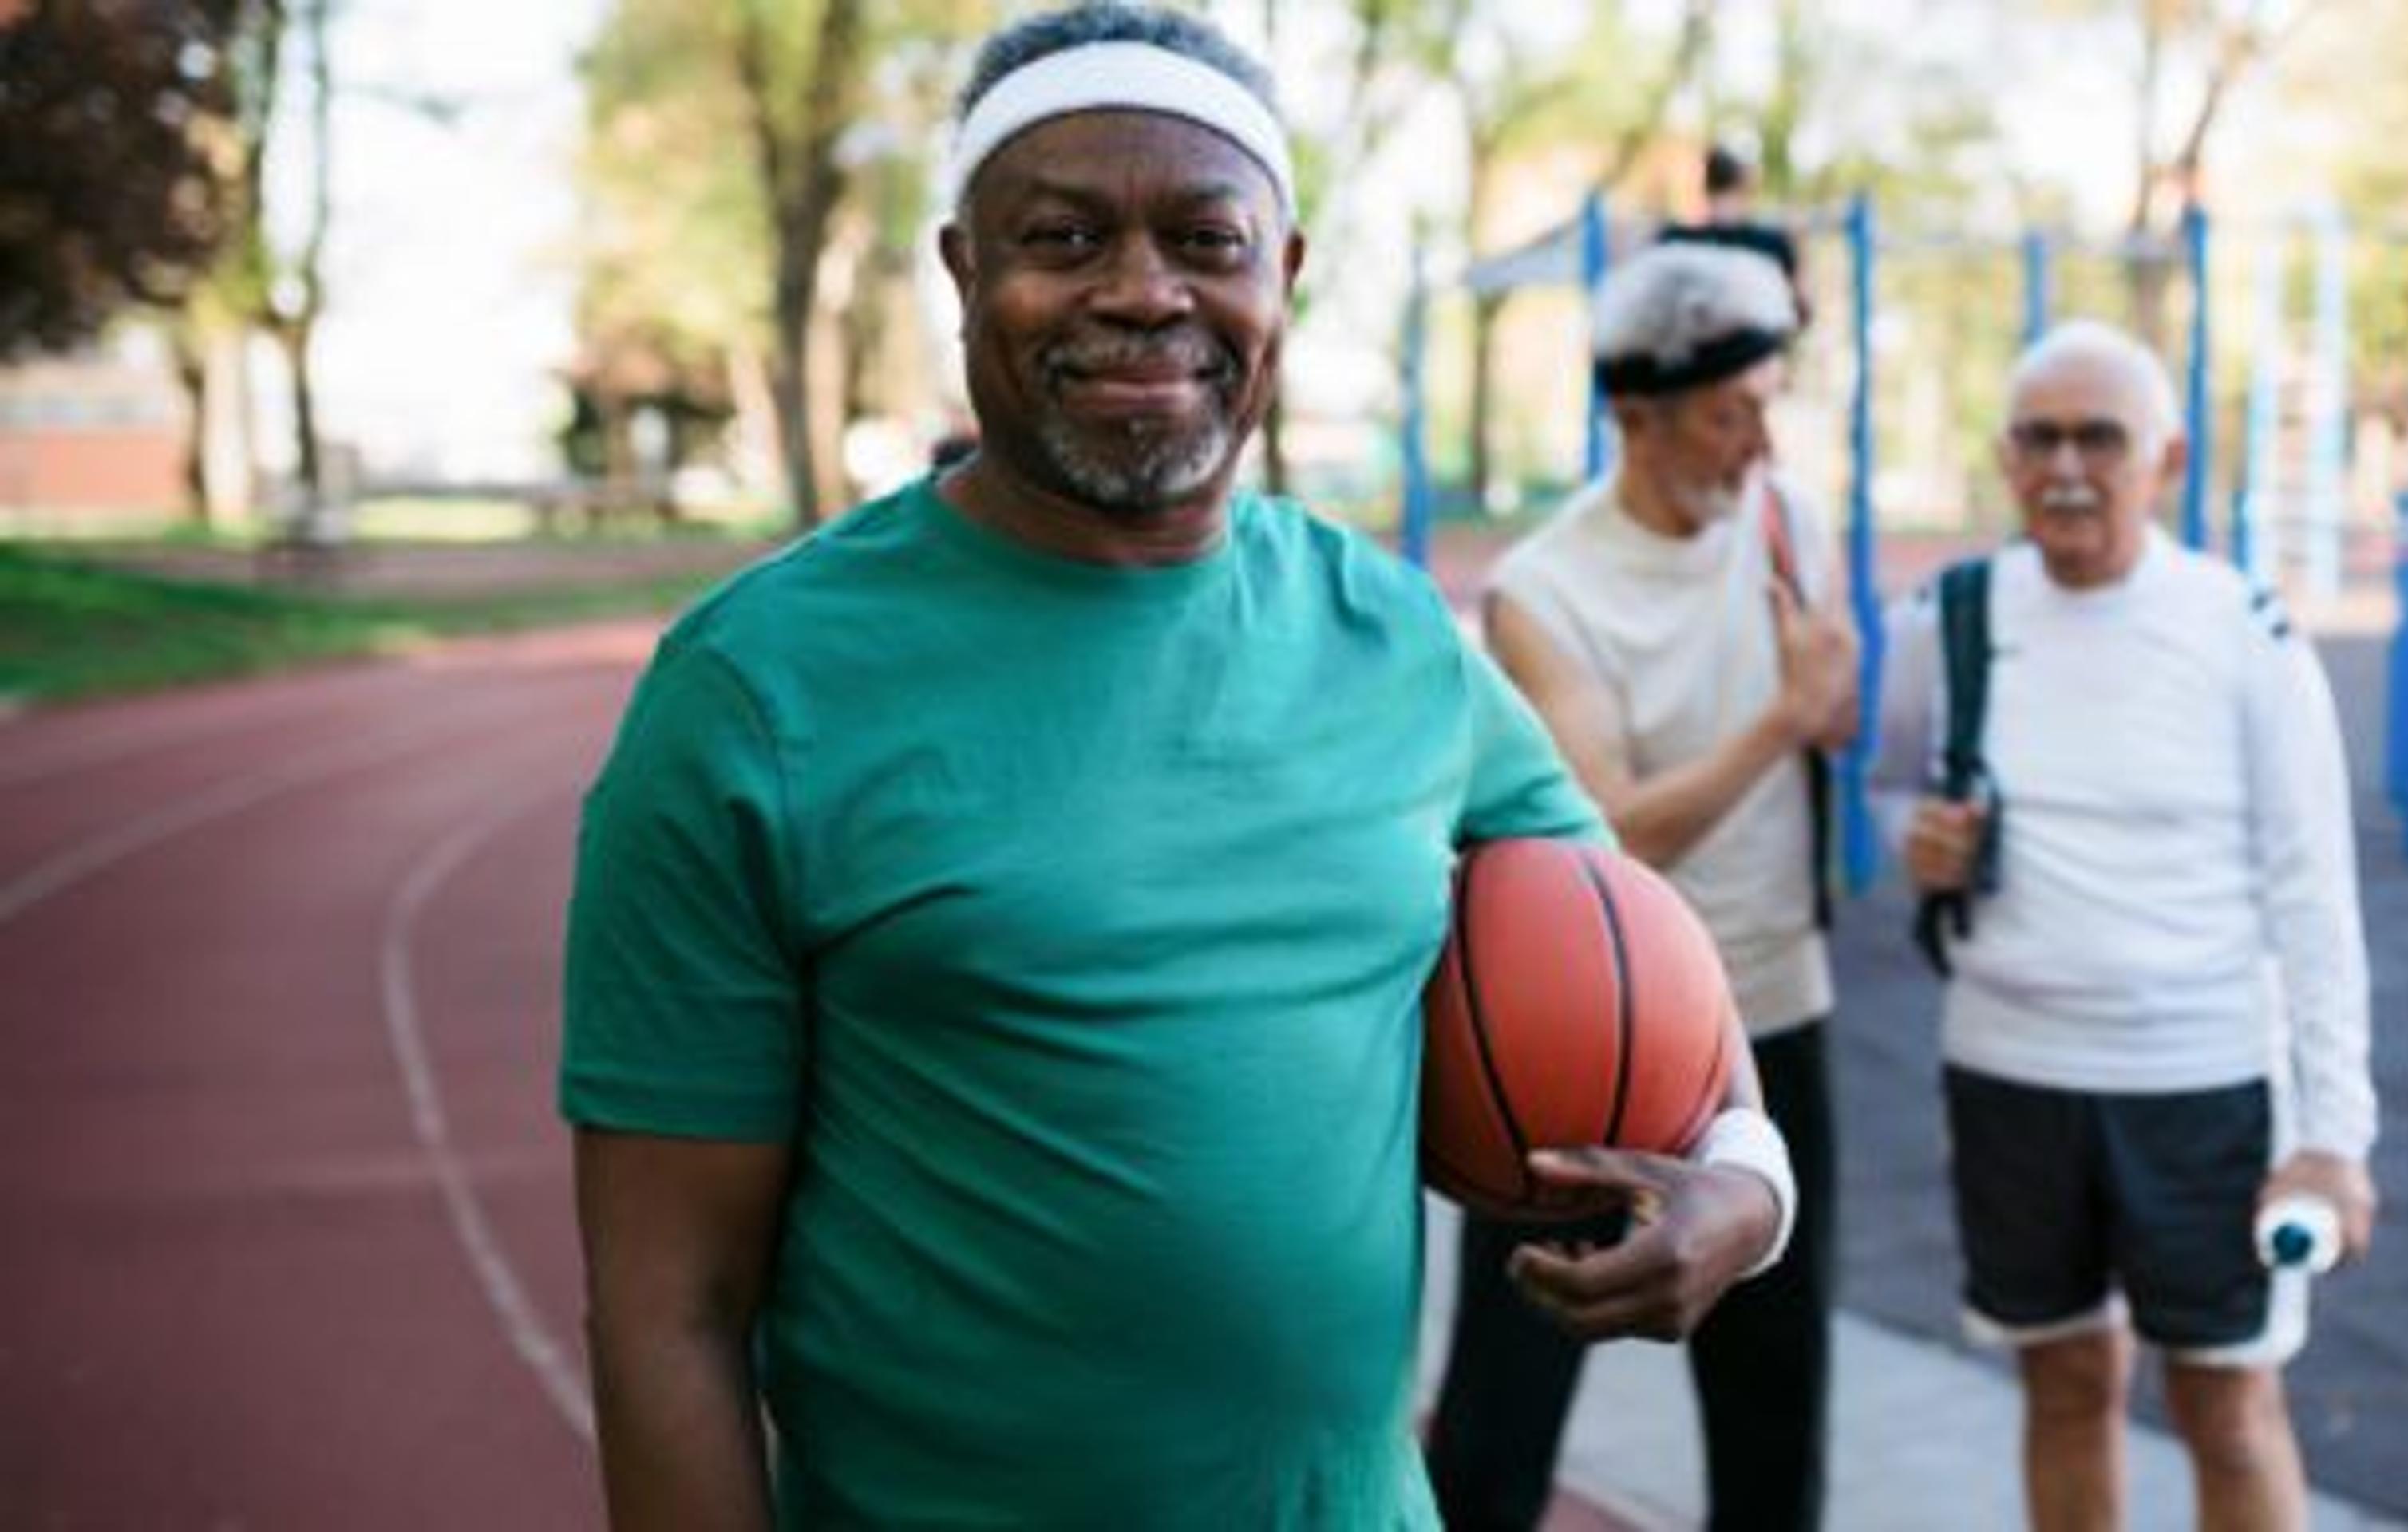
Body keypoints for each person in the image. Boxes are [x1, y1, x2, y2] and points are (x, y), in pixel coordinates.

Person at [559, 7, 1793, 1528]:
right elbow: (669, 1305)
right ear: (961, 270)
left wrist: (1749, 1185)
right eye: (1064, 237)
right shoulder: (754, 695)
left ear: (1283, 277)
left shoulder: (1392, 639)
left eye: (1206, 241)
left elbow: (1648, 972)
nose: (1143, 294)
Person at [1871, 319, 2379, 1532]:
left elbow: (2316, 891)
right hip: (2008, 1073)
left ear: (2166, 457)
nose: (2066, 467)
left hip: (2201, 1081)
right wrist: (1912, 840)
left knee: (2229, 1404)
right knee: (2063, 1381)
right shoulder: (1941, 619)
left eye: (2101, 438)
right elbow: (1893, 792)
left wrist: (2334, 1137)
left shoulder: (2242, 628)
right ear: (2003, 459)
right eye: (2038, 439)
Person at [1424, 243, 1857, 1532]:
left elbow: (1828, 722)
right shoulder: (1547, 591)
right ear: (1637, 415)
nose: (1758, 441)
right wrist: (1788, 720)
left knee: (1777, 1416)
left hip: (1772, 1019)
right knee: (1500, 1432)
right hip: (1578, 1048)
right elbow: (1608, 830)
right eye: (1733, 415)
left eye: (1770, 405)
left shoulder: (1788, 524)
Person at [1659, 144, 1810, 328]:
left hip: (1694, 351)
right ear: (1745, 184)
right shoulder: (1770, 244)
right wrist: (1800, 247)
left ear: (1704, 187)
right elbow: (1802, 313)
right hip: (1756, 350)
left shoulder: (1675, 241)